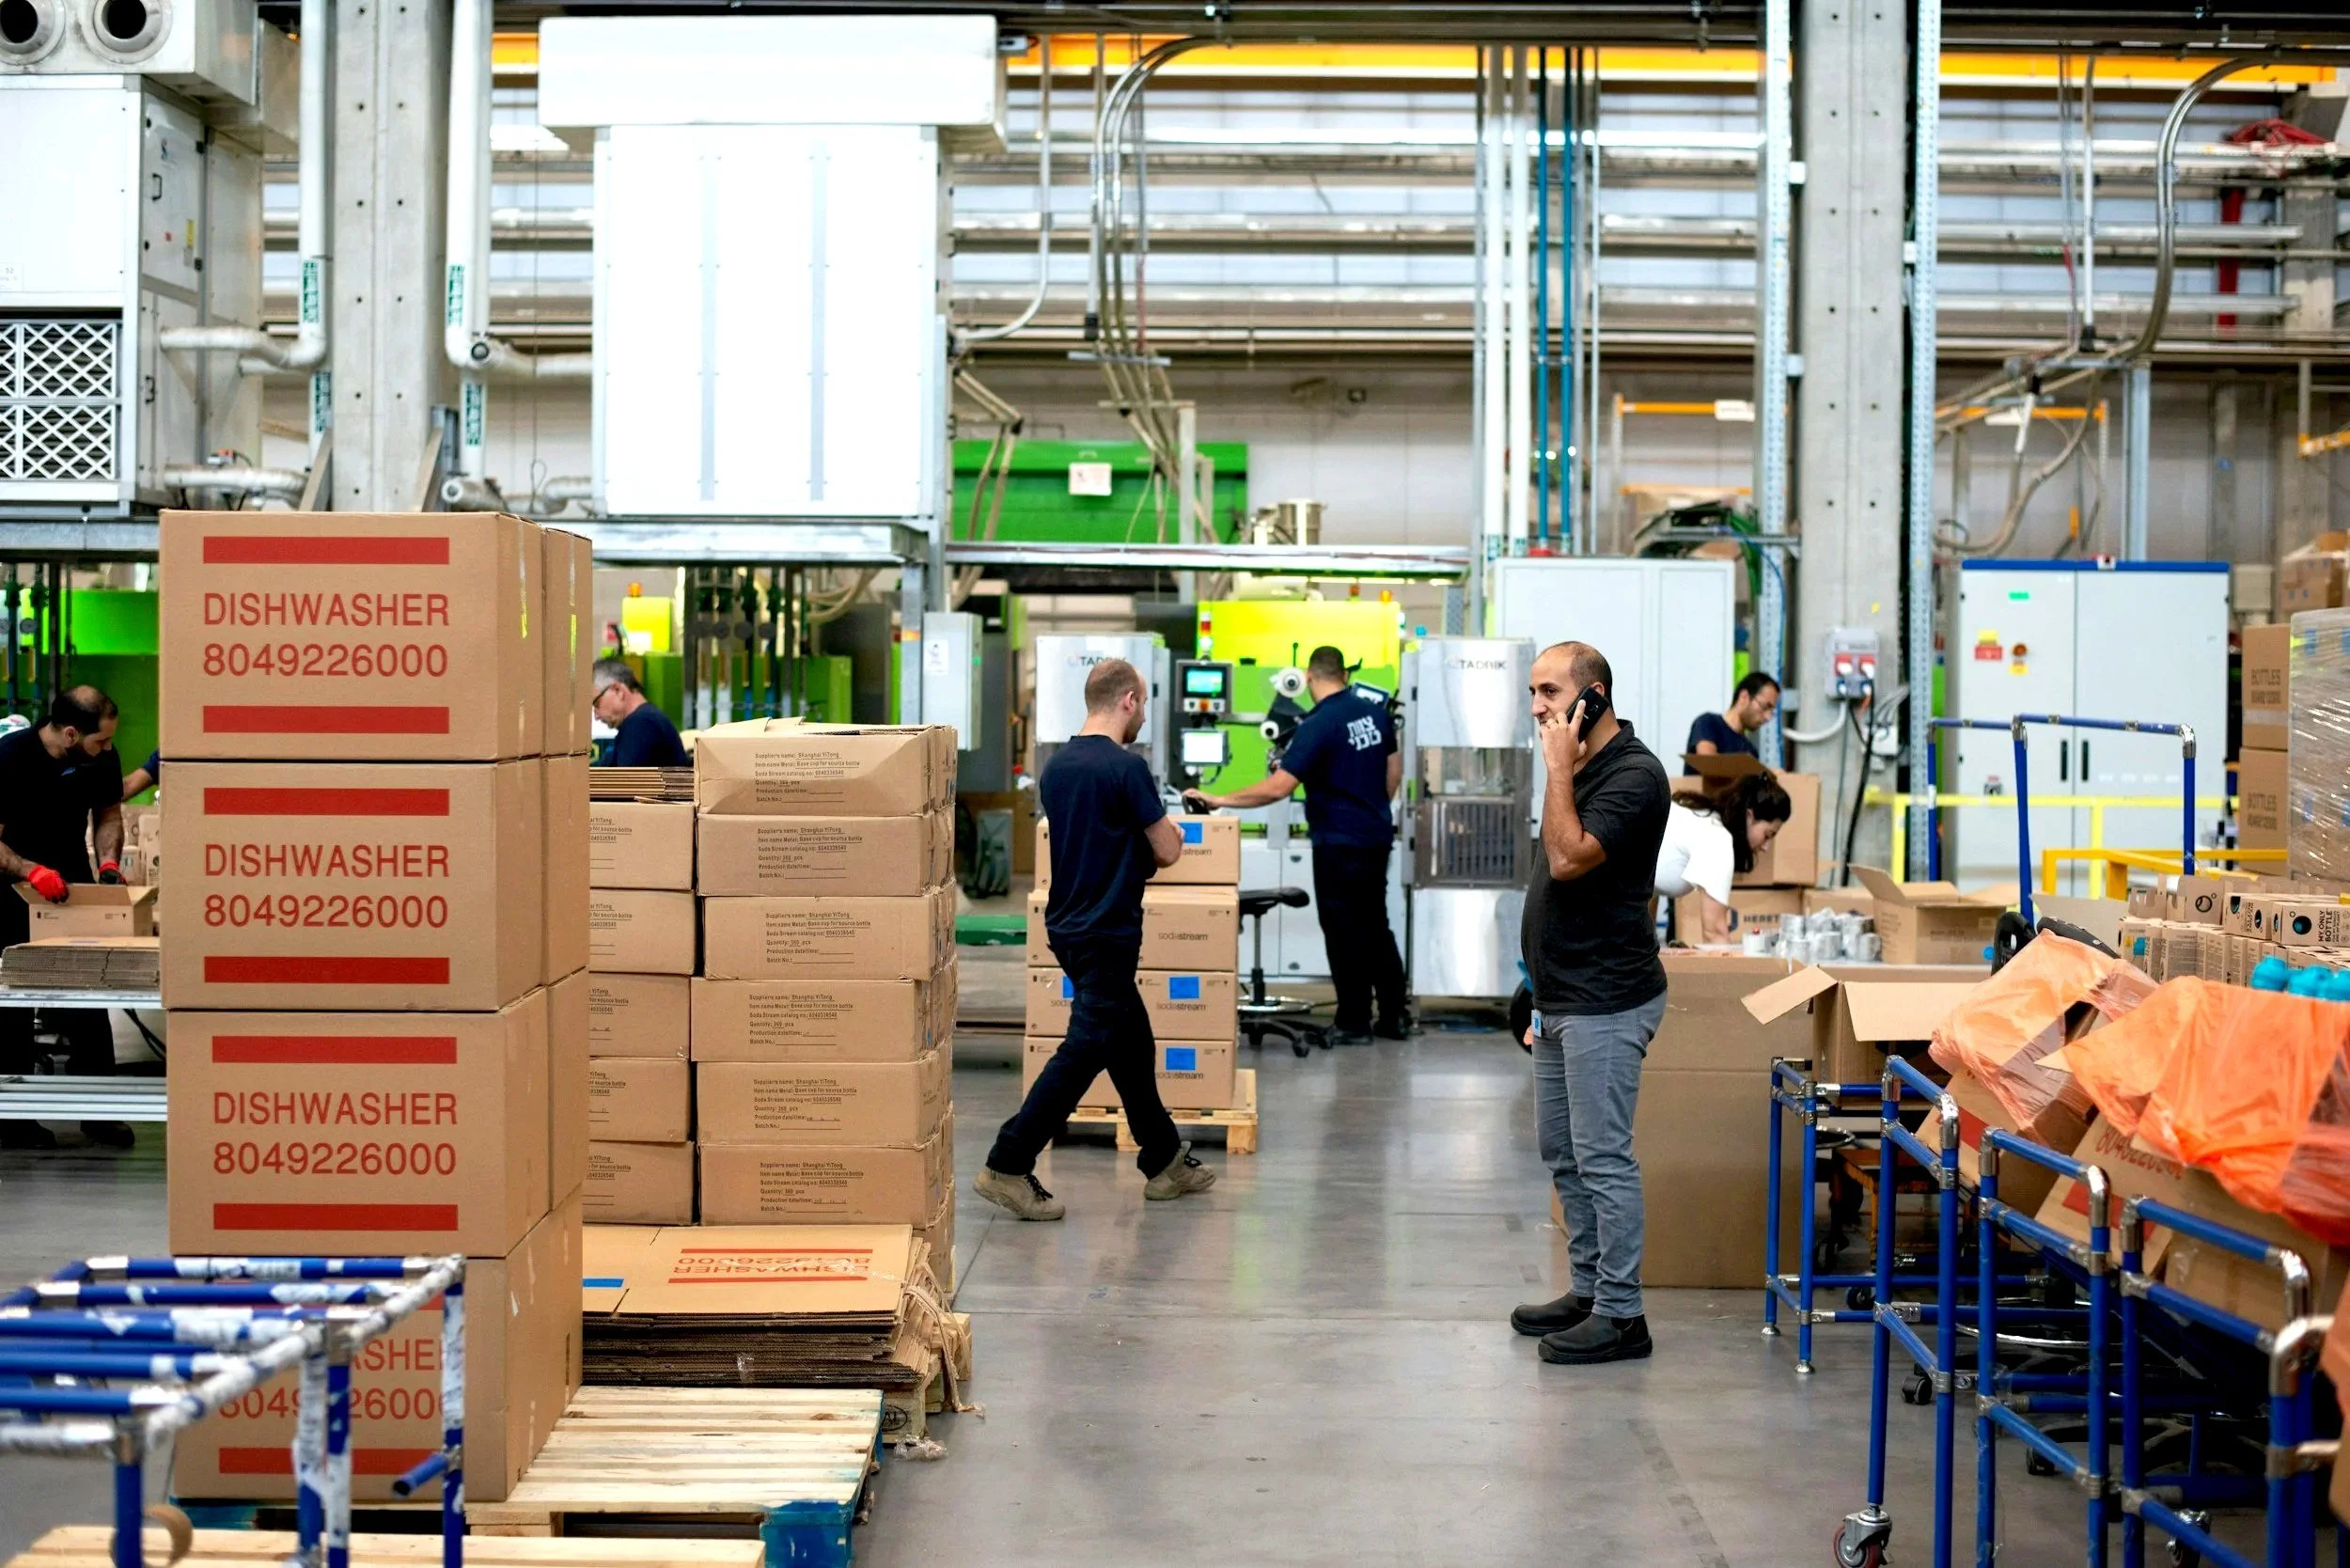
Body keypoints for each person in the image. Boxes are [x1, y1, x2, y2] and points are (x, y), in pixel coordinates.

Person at [974, 658, 1216, 1219]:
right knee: (1085, 1049)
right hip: (1108, 930)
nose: (1142, 716)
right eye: (1144, 705)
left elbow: (1092, 839)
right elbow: (1167, 850)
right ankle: (1007, 1163)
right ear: (1128, 700)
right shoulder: (1126, 769)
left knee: (1132, 1044)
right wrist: (1169, 830)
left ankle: (1164, 1162)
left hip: (1068, 926)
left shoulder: (1057, 768)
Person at [1510, 641, 1671, 1366]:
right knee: (1563, 1152)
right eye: (1534, 693)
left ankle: (1622, 1313)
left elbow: (1571, 857)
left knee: (1603, 1156)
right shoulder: (1574, 769)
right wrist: (1533, 984)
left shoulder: (1635, 777)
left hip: (1607, 998)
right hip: (1561, 995)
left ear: (1593, 697)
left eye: (1549, 691)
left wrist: (1556, 768)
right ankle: (1587, 1292)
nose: (1537, 705)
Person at [1183, 645, 1406, 1043]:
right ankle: (1392, 1018)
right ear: (1344, 673)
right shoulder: (1375, 713)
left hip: (1339, 843)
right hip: (1374, 837)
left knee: (1342, 931)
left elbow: (1280, 786)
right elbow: (1393, 771)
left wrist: (1219, 799)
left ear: (1307, 676)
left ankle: (1353, 1023)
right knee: (1375, 926)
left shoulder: (1319, 724)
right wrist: (1370, 806)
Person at [0, 687, 134, 1151]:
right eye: (100, 741)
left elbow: (109, 812)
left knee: (88, 993)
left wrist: (110, 863)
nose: (108, 749)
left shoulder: (101, 759)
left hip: (72, 884)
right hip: (12, 886)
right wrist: (28, 869)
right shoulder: (10, 757)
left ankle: (101, 1113)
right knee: (13, 1002)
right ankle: (13, 1121)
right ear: (72, 733)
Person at [1657, 773, 1794, 944]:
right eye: (1768, 835)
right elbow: (1714, 933)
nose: (1766, 847)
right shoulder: (1718, 841)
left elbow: (1646, 880)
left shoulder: (1700, 816)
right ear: (1749, 816)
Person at [591, 658, 689, 767]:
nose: (596, 716)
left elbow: (625, 781)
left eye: (597, 704)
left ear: (618, 690)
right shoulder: (646, 720)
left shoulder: (641, 724)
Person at [1685, 671, 1781, 758]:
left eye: (1771, 712)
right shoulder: (1708, 723)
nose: (1767, 717)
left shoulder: (1750, 751)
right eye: (1764, 707)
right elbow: (1708, 761)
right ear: (1744, 697)